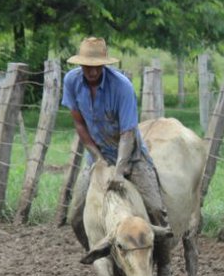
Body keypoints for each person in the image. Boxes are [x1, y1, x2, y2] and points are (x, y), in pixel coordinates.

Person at [62, 36, 170, 250]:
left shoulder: (122, 87)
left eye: (97, 66)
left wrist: (119, 170)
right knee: (75, 216)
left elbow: (127, 133)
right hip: (97, 155)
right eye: (87, 66)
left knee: (156, 210)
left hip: (131, 156)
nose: (92, 71)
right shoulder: (71, 81)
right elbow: (79, 124)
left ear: (104, 64)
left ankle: (162, 259)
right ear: (80, 64)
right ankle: (98, 253)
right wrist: (98, 159)